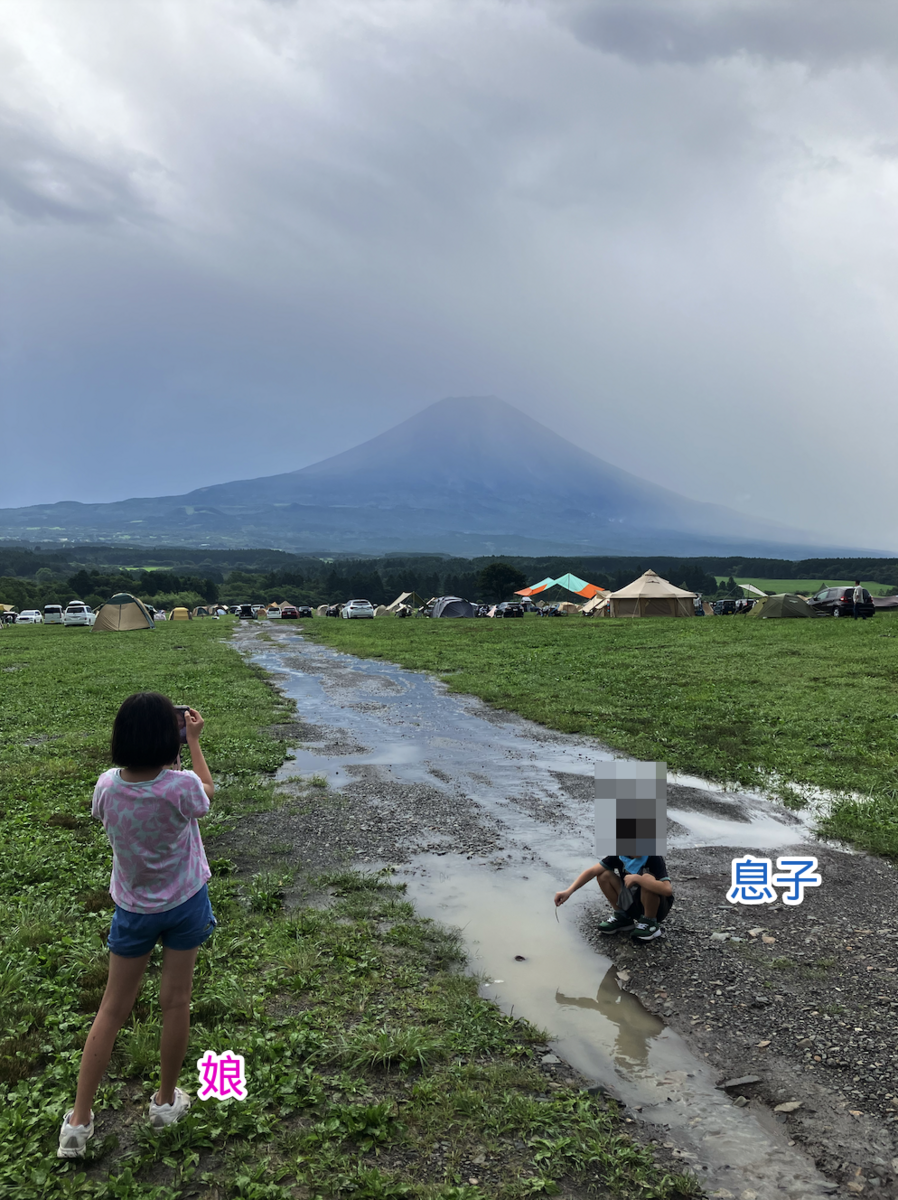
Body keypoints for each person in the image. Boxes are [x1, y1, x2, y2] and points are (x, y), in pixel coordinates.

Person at [58, 693, 215, 1158]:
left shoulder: (107, 786)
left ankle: (79, 1122)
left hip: (132, 911)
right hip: (186, 903)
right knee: (176, 1002)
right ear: (172, 738)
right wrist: (195, 744)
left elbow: (100, 815)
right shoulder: (181, 785)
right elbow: (207, 794)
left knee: (111, 1009)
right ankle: (165, 1102)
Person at [554, 853, 673, 943]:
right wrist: (568, 891)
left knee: (647, 878)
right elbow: (592, 871)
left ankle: (650, 923)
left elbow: (667, 890)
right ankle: (623, 917)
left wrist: (639, 879)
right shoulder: (619, 855)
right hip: (633, 902)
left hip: (655, 908)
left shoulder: (653, 857)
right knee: (603, 875)